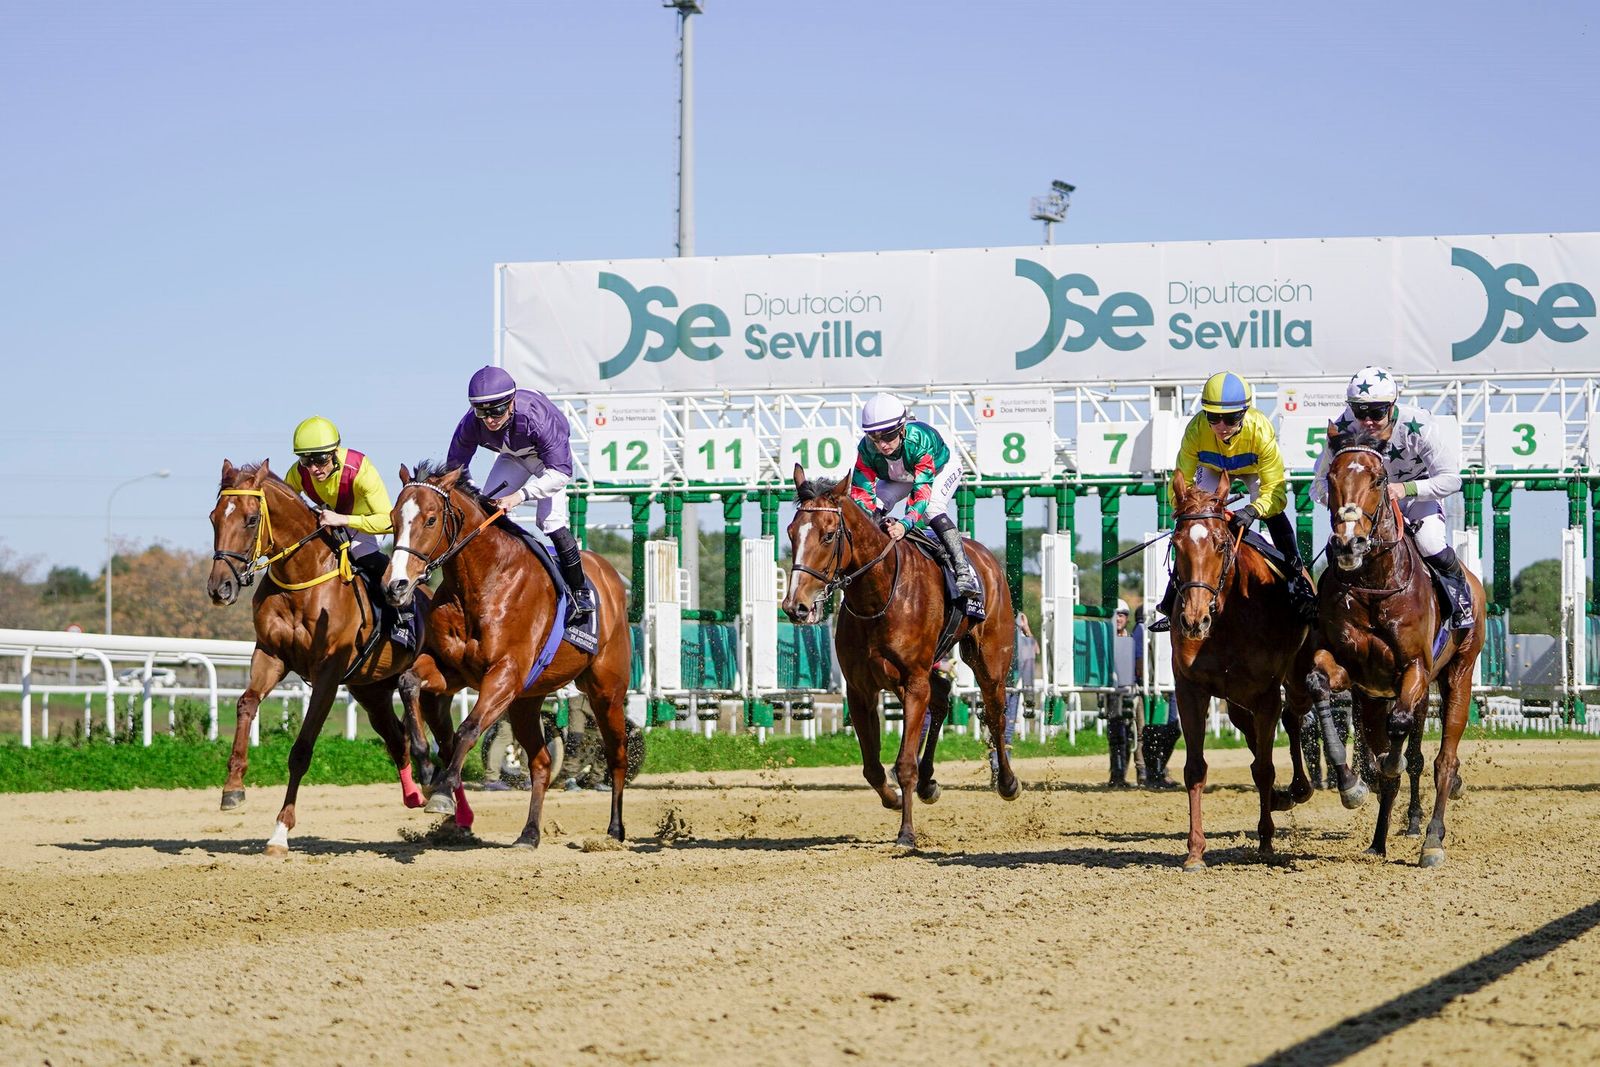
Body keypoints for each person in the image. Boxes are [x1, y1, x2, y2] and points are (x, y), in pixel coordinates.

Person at [1150, 371, 1317, 632]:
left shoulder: (1261, 431)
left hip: (1252, 468)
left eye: (1230, 418)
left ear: (1244, 413)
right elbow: (1181, 483)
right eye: (1213, 417)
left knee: (1272, 513)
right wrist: (1189, 508)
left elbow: (1276, 492)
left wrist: (1253, 510)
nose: (1221, 426)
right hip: (1212, 467)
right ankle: (1171, 597)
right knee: (1193, 524)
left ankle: (1298, 581)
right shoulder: (1195, 430)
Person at [1312, 365, 1475, 629]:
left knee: (1429, 543)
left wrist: (1405, 489)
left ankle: (1460, 600)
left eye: (1376, 412)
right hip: (1367, 505)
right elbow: (1318, 484)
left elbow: (1452, 479)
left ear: (1392, 406)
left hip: (1417, 496)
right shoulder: (1342, 428)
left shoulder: (1419, 425)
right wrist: (1345, 503)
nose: (1367, 422)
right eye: (1359, 411)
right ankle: (1323, 609)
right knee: (1339, 546)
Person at [446, 365, 594, 627]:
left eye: (497, 411)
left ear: (511, 402)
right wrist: (472, 497)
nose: (490, 419)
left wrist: (520, 495)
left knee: (549, 522)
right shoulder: (470, 423)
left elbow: (560, 474)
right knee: (486, 513)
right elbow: (455, 471)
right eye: (483, 412)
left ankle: (580, 591)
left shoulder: (538, 418)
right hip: (512, 457)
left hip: (547, 463)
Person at [285, 415, 415, 648]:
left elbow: (387, 521)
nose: (314, 469)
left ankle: (403, 618)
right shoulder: (298, 472)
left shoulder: (360, 469)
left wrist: (343, 519)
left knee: (364, 557)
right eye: (306, 461)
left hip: (362, 525)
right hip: (327, 523)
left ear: (335, 452)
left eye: (320, 460)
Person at [849, 392, 983, 616]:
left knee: (931, 509)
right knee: (875, 507)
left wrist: (904, 524)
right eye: (874, 437)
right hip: (900, 475)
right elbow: (861, 494)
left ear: (901, 428)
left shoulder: (919, 440)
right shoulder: (867, 449)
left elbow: (920, 493)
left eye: (888, 436)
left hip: (939, 469)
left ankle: (963, 571)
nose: (882, 444)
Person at [993, 613, 1037, 786]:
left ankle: (1004, 770)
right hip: (996, 687)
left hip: (1014, 687)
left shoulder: (1019, 631)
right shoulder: (995, 626)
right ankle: (996, 770)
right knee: (995, 730)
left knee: (1008, 732)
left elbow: (1035, 650)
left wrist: (1026, 629)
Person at [1103, 599, 1138, 787]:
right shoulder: (1105, 640)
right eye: (1116, 615)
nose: (1119, 618)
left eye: (1122, 615)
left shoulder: (1131, 639)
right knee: (1116, 733)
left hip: (1130, 690)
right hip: (1112, 692)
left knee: (1129, 733)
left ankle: (1122, 774)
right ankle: (1116, 775)